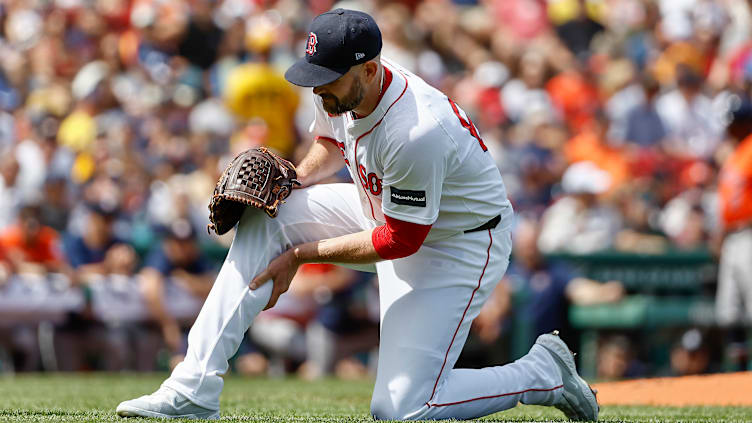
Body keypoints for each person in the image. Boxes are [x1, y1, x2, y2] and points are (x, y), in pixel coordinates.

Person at [116, 9, 598, 421]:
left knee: (403, 408)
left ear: (368, 70)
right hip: (384, 212)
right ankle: (193, 388)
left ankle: (542, 375)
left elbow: (400, 241)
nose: (319, 88)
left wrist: (301, 254)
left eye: (329, 79)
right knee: (270, 214)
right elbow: (329, 141)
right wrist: (293, 180)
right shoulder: (344, 88)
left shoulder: (415, 131)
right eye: (314, 76)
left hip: (455, 243)